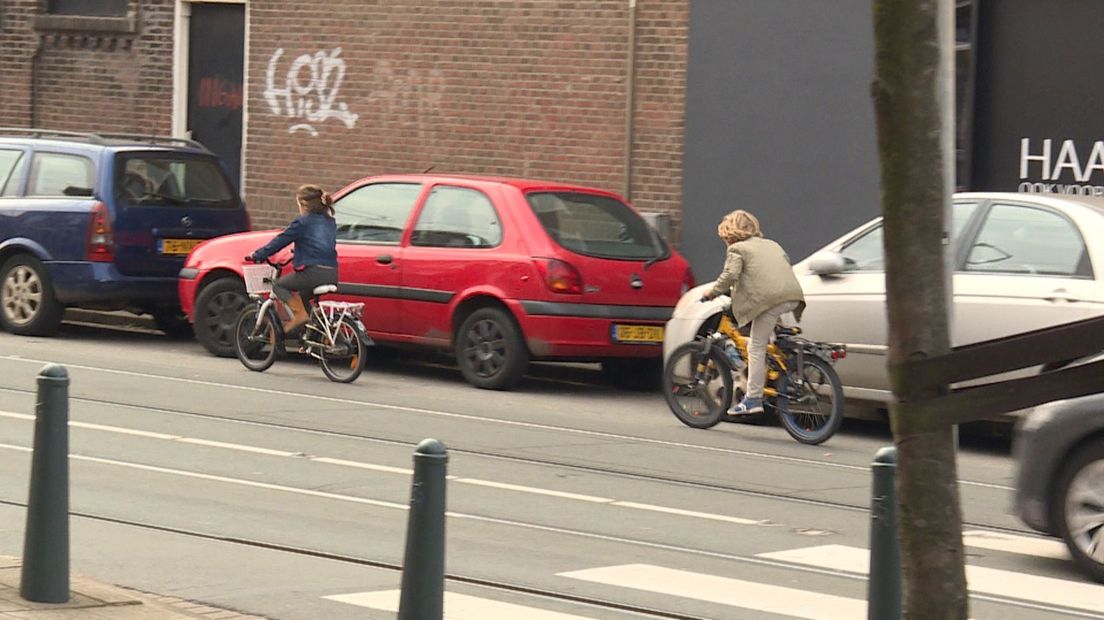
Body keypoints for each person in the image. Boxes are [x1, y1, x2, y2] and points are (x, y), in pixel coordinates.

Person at [699, 209, 805, 415]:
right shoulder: (772, 244)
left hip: (770, 300)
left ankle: (753, 399)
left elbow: (730, 275)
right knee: (767, 335)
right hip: (792, 296)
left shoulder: (737, 249)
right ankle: (779, 363)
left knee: (755, 348)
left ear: (729, 234)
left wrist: (712, 292)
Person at [248, 184, 338, 333]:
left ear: (304, 204)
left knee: (278, 286)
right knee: (303, 295)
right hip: (332, 273)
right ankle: (311, 332)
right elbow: (321, 244)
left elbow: (279, 241)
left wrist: (258, 255)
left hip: (313, 273)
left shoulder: (302, 223)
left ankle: (299, 316)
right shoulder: (329, 221)